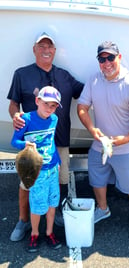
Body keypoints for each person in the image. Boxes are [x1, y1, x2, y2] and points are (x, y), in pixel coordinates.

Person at [7, 32, 84, 241]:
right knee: (27, 183)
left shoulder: (64, 75)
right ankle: (24, 221)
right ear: (34, 50)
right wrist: (15, 115)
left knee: (59, 180)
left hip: (60, 143)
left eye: (49, 46)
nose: (46, 50)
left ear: (55, 51)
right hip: (33, 147)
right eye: (41, 46)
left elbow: (86, 94)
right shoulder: (21, 74)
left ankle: (54, 215)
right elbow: (13, 103)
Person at [77, 41, 129, 238]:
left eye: (111, 57)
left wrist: (127, 138)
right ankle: (103, 209)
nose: (107, 62)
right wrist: (92, 129)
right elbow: (82, 107)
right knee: (96, 178)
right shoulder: (94, 80)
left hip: (125, 147)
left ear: (119, 57)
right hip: (100, 144)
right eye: (102, 59)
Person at [11, 86, 62, 252]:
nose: (49, 108)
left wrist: (58, 160)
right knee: (37, 205)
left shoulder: (54, 119)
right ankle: (34, 234)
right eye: (46, 103)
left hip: (53, 168)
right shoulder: (26, 119)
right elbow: (14, 141)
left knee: (52, 203)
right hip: (36, 171)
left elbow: (52, 141)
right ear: (37, 101)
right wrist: (25, 144)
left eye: (53, 105)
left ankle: (49, 233)